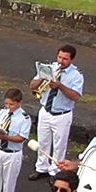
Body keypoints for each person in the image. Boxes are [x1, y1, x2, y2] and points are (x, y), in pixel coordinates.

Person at [29, 44, 84, 181]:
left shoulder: (76, 75)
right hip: (46, 111)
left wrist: (60, 86)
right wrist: (42, 78)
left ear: (72, 60)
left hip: (62, 114)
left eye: (65, 59)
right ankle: (41, 168)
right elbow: (32, 86)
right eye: (60, 57)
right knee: (43, 141)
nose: (61, 61)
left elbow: (76, 96)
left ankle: (55, 172)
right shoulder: (50, 68)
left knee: (60, 145)